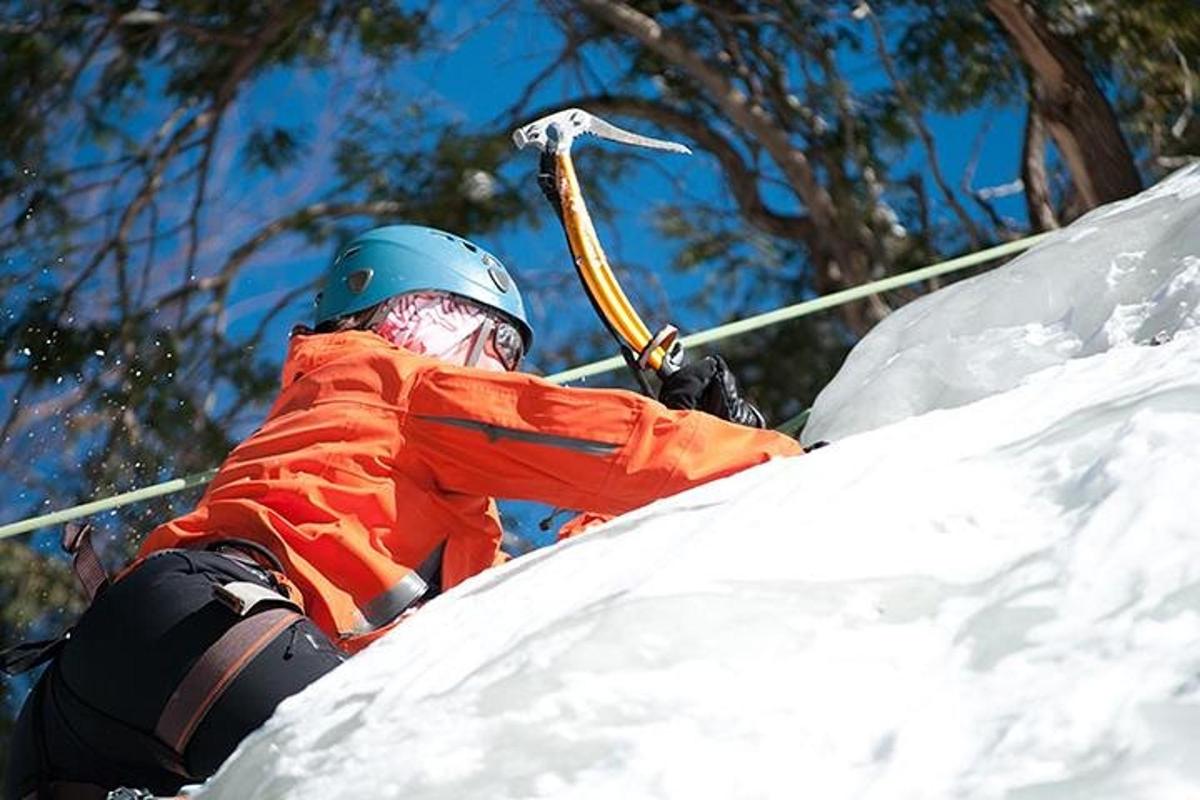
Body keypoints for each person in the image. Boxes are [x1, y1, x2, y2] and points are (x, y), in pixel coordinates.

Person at [6, 224, 802, 799]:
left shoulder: (356, 436)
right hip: (219, 628)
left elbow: (522, 602)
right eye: (495, 343)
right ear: (421, 320)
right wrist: (759, 455)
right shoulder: (400, 384)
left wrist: (669, 483)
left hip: (98, 686)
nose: (503, 369)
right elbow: (608, 443)